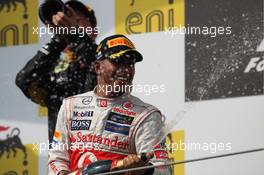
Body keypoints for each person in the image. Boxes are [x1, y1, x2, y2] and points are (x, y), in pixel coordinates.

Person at [48, 34, 172, 175]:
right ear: (97, 67)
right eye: (118, 61)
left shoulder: (146, 115)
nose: (125, 70)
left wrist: (144, 170)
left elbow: (164, 170)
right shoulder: (71, 105)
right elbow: (56, 158)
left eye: (130, 63)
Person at [15, 0, 98, 144]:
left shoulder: (107, 59)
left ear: (93, 28)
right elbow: (24, 80)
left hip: (97, 151)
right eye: (65, 20)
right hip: (63, 159)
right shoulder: (52, 71)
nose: (72, 23)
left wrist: (76, 35)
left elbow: (94, 65)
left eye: (78, 20)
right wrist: (60, 39)